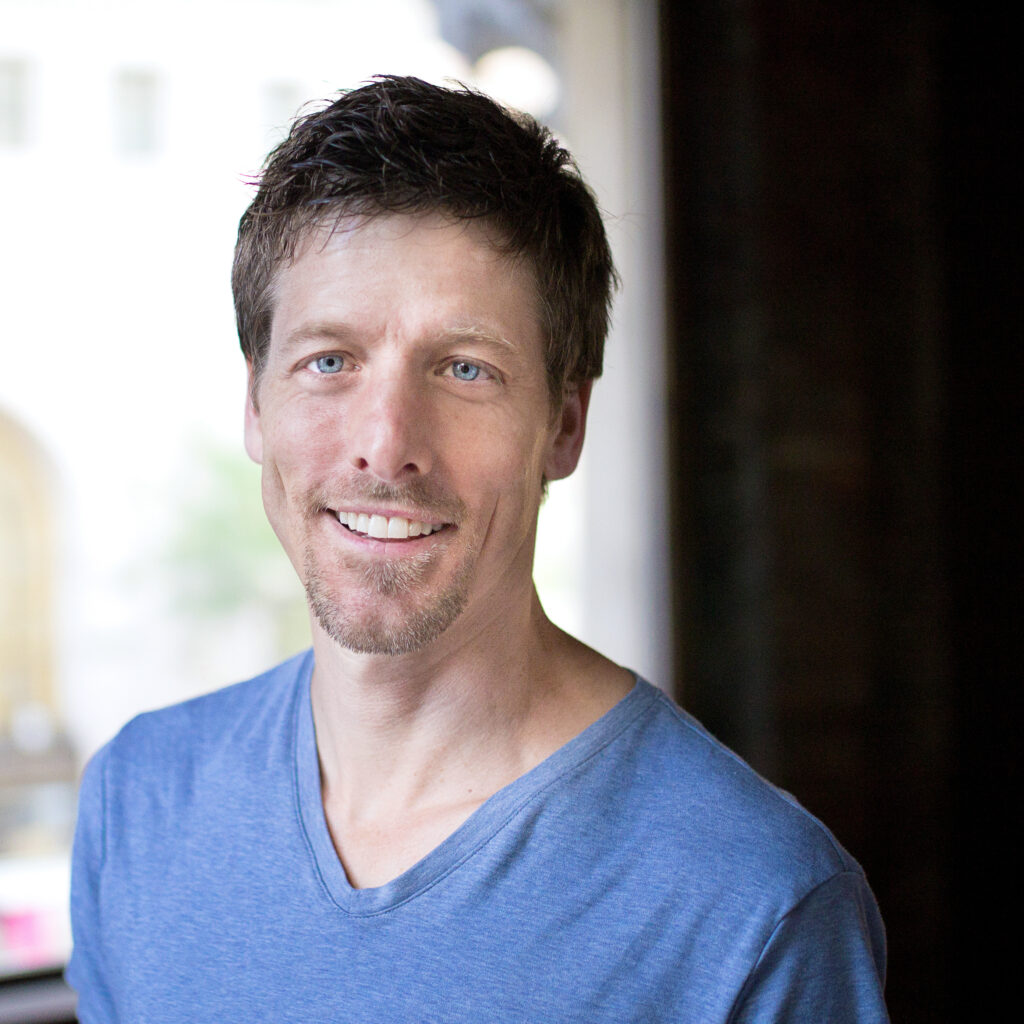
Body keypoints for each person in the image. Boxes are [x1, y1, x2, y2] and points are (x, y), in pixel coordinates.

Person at [66, 75, 889, 1022]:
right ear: (256, 404)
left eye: (465, 369)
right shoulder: (139, 803)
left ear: (564, 426)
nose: (386, 441)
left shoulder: (755, 905)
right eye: (328, 360)